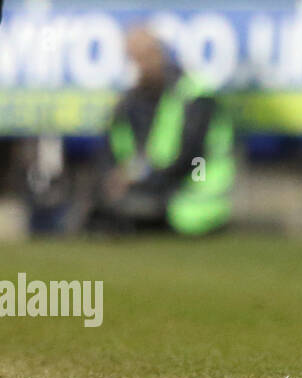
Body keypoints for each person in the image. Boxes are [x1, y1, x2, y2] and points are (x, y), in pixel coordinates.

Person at [91, 27, 234, 236]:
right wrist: (120, 177)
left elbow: (192, 159)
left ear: (159, 54)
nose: (138, 66)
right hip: (164, 189)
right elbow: (117, 152)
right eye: (133, 59)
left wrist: (139, 177)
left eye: (143, 57)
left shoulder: (194, 97)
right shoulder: (132, 104)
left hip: (198, 196)